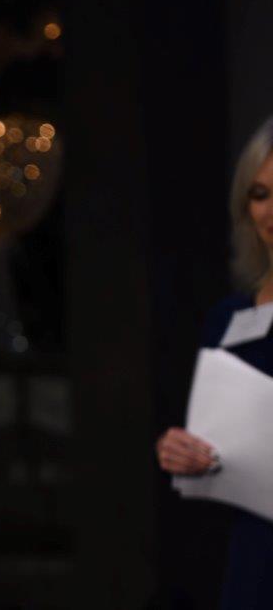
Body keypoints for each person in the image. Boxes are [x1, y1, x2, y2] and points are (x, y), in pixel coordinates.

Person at [155, 116, 273, 608]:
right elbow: (215, 442)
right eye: (260, 194)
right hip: (252, 559)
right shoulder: (229, 318)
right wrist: (179, 451)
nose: (271, 210)